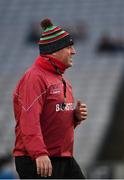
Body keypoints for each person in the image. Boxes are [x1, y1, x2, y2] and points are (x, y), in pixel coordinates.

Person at [13, 18, 88, 179]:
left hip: (62, 157)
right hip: (38, 160)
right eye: (69, 47)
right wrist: (39, 153)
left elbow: (52, 121)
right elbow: (29, 121)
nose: (73, 51)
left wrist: (73, 118)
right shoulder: (34, 78)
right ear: (55, 50)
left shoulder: (63, 81)